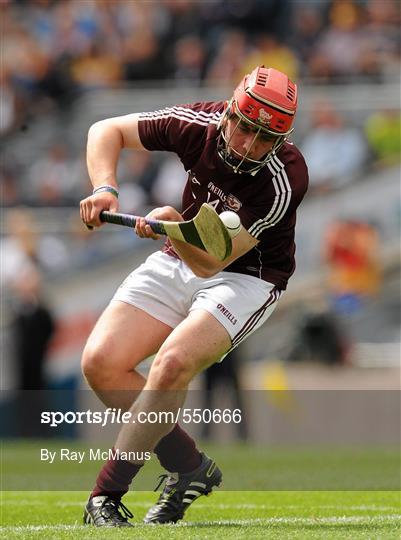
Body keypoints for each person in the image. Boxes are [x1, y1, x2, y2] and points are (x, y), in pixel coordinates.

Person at [79, 65, 308, 527]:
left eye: (263, 138)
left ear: (280, 141)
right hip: (179, 250)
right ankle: (190, 466)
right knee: (101, 365)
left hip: (247, 278)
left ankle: (105, 494)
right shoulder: (199, 124)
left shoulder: (285, 179)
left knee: (172, 364)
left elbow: (212, 262)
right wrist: (106, 187)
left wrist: (168, 220)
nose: (247, 144)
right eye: (244, 127)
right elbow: (107, 130)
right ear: (230, 110)